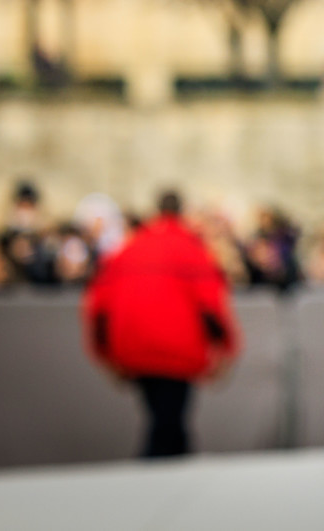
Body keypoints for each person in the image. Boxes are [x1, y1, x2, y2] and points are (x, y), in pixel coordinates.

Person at [81, 190, 240, 458]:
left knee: (165, 422)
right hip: (178, 353)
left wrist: (105, 354)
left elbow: (98, 306)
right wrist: (226, 349)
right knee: (168, 426)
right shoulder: (192, 250)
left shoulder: (129, 248)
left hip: (135, 350)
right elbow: (212, 306)